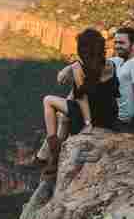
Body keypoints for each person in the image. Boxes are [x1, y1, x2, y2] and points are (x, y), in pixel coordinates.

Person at [36, 28, 119, 173]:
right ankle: (51, 158)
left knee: (48, 100)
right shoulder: (110, 65)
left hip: (90, 117)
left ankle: (52, 149)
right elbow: (110, 92)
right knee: (65, 114)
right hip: (109, 116)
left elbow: (81, 97)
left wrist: (88, 124)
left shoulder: (77, 67)